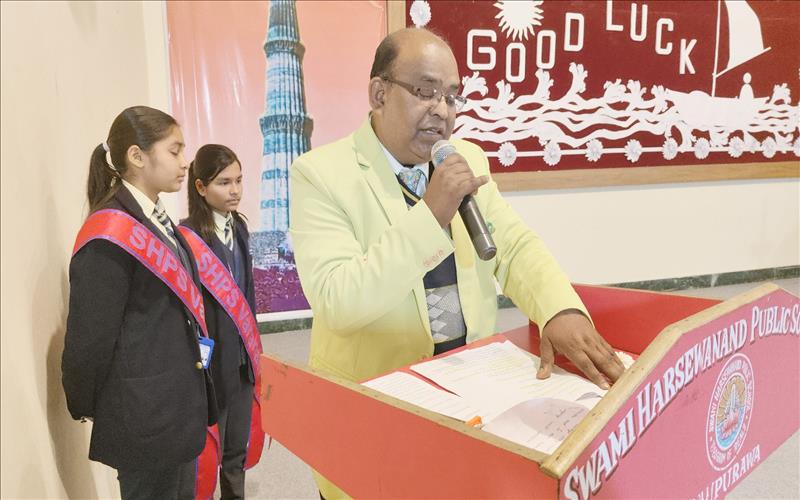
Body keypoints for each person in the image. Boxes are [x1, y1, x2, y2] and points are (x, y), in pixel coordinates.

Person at [289, 29, 624, 498]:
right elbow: (339, 300)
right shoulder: (321, 175)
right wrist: (432, 214)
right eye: (425, 91)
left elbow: (512, 245)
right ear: (379, 93)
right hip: (376, 414)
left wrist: (558, 309)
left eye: (452, 96)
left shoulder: (465, 158)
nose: (442, 110)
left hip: (469, 398)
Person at [62, 106, 216, 500]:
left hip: (176, 408)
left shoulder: (159, 221)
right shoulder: (110, 232)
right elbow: (91, 336)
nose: (185, 162)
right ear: (137, 156)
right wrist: (87, 402)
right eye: (174, 151)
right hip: (145, 417)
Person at [181, 144, 261, 499]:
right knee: (206, 454)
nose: (235, 190)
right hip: (211, 364)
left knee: (236, 452)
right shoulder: (187, 238)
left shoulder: (239, 228)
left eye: (239, 180)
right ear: (200, 187)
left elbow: (248, 292)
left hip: (243, 360)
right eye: (224, 182)